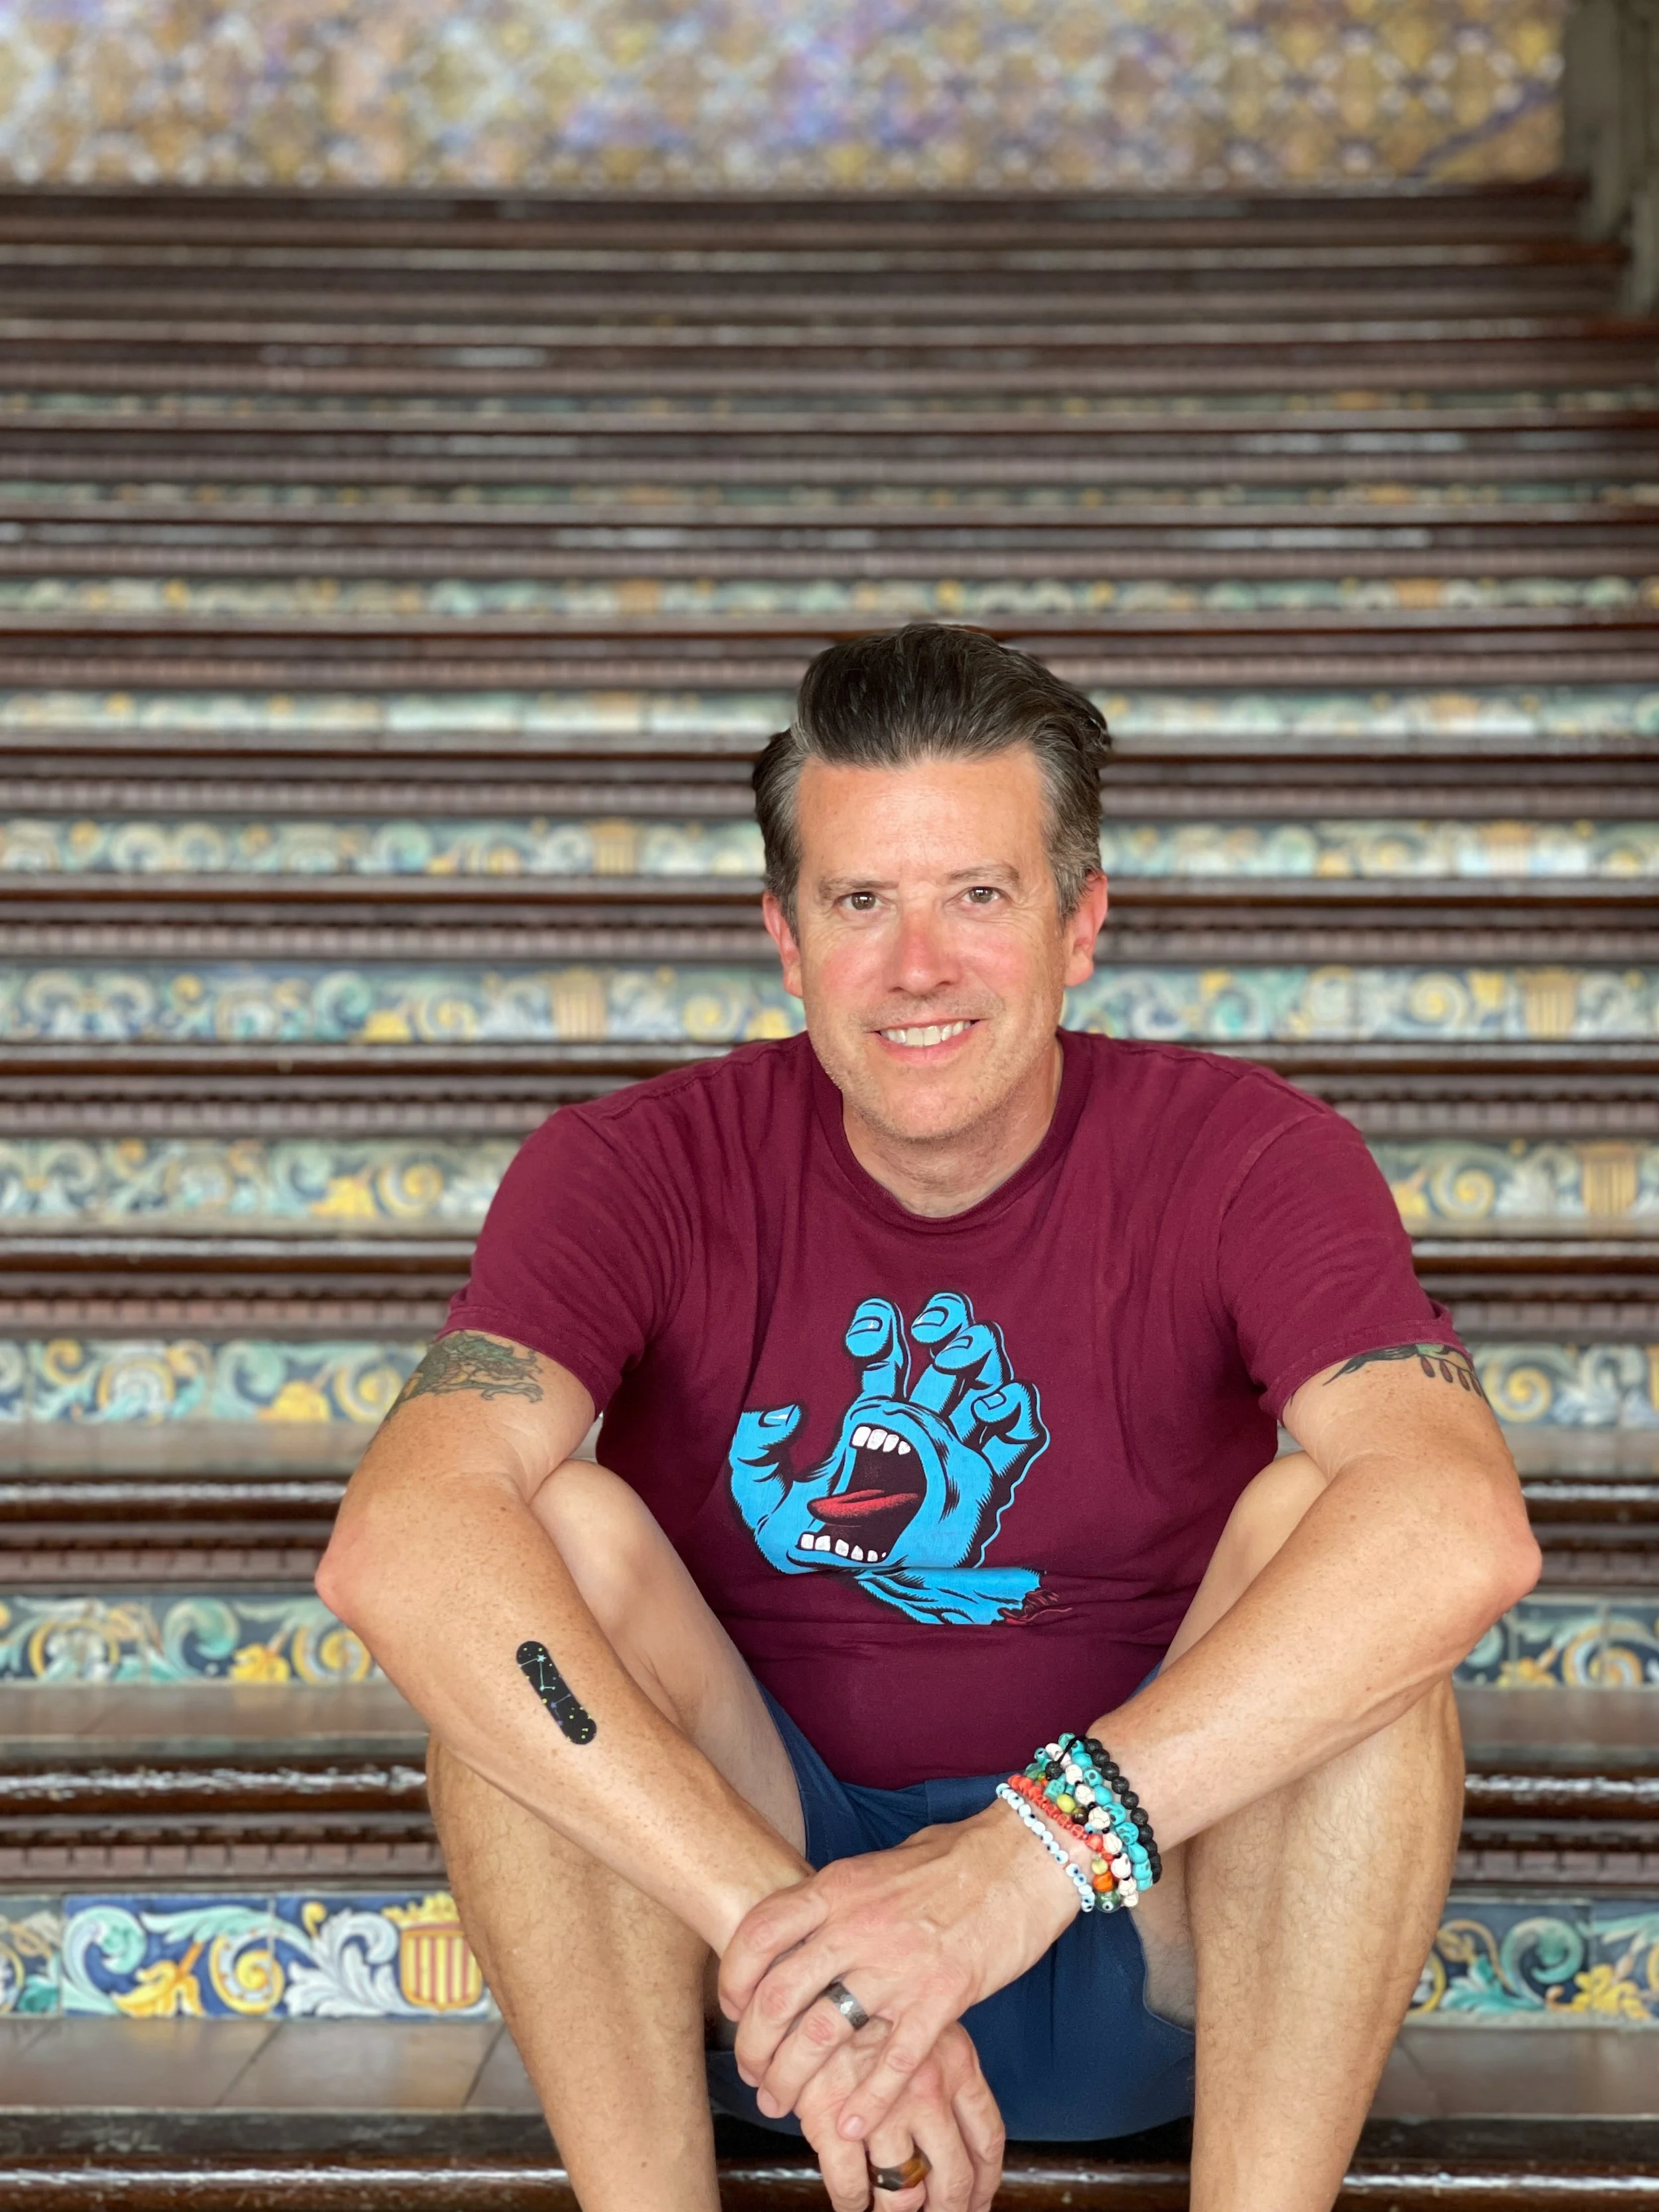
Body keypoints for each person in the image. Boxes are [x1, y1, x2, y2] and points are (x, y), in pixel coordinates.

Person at [317, 623, 1539, 2212]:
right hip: (749, 1957)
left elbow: (1460, 1527)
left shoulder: (1250, 1154)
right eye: (859, 901)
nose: (917, 966)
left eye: (976, 894)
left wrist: (1015, 1864)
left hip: (1142, 1908)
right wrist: (816, 1948)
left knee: (1342, 1527)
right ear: (783, 936)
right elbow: (395, 1547)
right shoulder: (627, 1168)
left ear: (1078, 919)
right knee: (523, 1539)